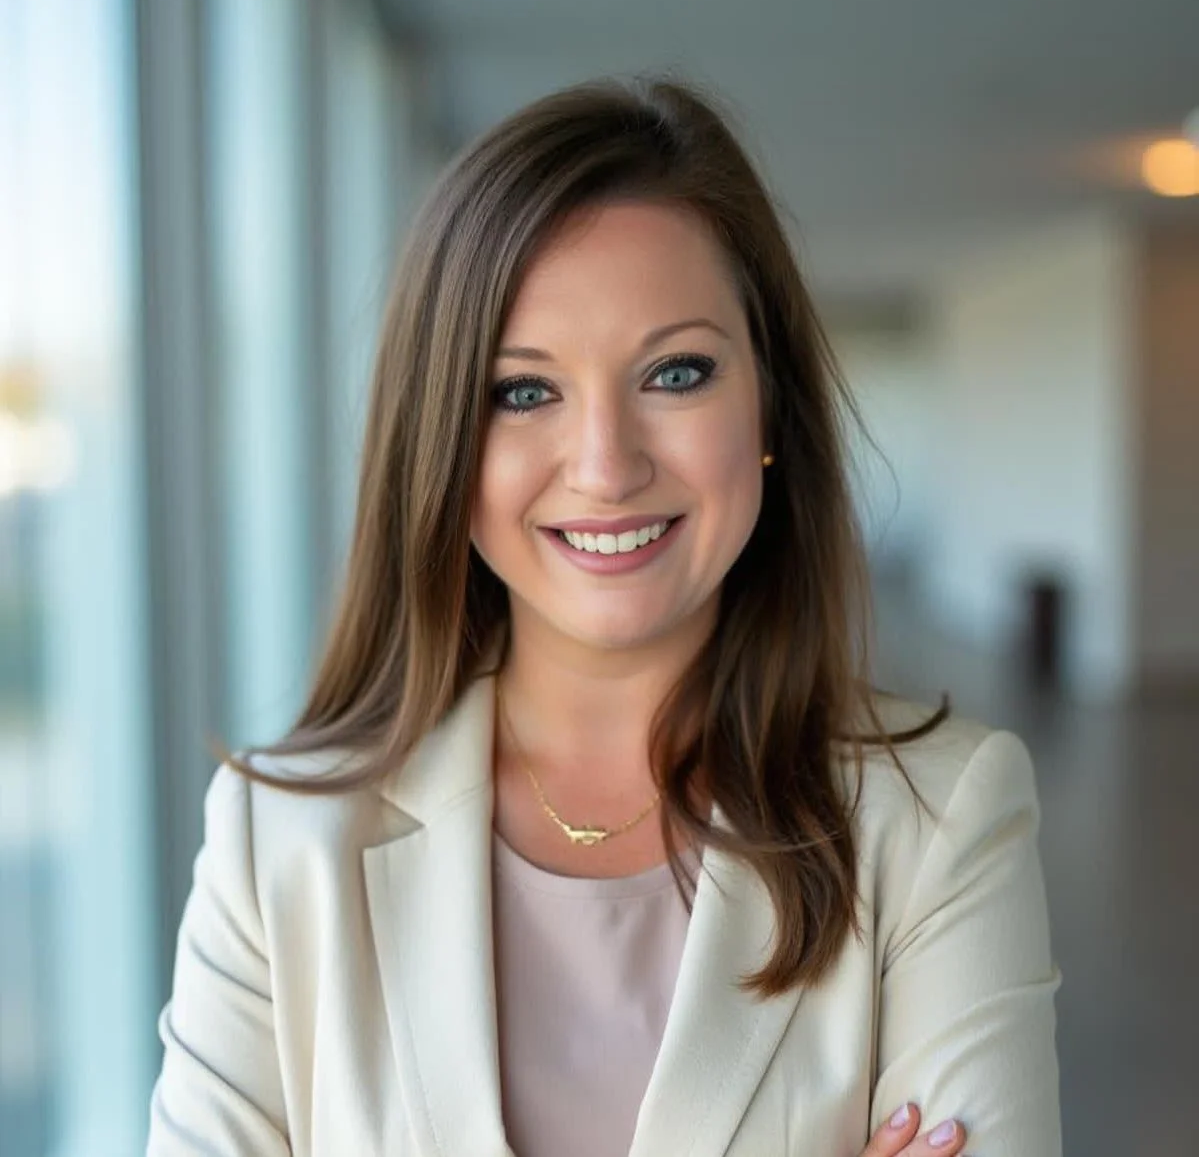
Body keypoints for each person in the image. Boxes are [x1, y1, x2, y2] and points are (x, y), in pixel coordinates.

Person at [146, 78, 1062, 1156]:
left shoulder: (940, 819)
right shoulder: (276, 843)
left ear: (767, 406)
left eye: (675, 373)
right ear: (441, 438)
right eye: (523, 391)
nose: (605, 465)